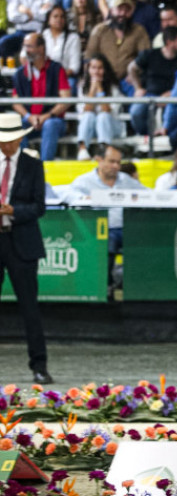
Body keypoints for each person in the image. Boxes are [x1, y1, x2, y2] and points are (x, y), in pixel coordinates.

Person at [0, 113, 52, 385]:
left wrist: (13, 211)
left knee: (30, 308)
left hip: (21, 240)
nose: (6, 146)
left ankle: (39, 366)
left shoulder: (33, 165)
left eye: (10, 141)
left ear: (19, 138)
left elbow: (39, 207)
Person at [70, 144, 147, 296]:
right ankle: (106, 286)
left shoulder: (126, 181)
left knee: (145, 239)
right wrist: (85, 199)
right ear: (99, 160)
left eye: (118, 162)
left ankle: (137, 287)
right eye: (112, 161)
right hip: (101, 229)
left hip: (127, 227)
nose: (116, 166)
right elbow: (70, 197)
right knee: (107, 239)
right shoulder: (83, 182)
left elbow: (148, 195)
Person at [12, 33, 71, 161]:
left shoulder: (56, 69)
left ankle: (44, 168)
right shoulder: (20, 73)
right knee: (15, 127)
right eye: (25, 47)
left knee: (50, 125)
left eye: (29, 47)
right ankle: (24, 166)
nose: (26, 50)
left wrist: (46, 116)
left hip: (53, 119)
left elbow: (66, 100)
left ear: (41, 48)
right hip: (29, 120)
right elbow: (15, 101)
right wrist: (29, 117)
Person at [127, 27, 177, 137]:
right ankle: (146, 136)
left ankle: (168, 136)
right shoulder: (150, 54)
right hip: (149, 95)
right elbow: (131, 68)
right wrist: (138, 87)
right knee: (136, 111)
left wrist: (172, 94)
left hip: (173, 96)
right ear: (169, 42)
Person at [85, 0, 151, 96]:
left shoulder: (139, 31)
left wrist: (135, 74)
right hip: (104, 79)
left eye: (127, 10)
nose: (123, 14)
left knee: (140, 99)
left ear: (132, 12)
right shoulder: (99, 30)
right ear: (111, 10)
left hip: (129, 80)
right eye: (119, 9)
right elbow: (89, 58)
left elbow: (145, 57)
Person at [75, 54, 123, 161]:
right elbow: (86, 109)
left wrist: (100, 88)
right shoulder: (82, 87)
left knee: (103, 116)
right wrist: (92, 88)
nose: (96, 71)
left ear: (105, 70)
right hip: (90, 126)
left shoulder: (113, 87)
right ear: (88, 70)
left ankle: (104, 150)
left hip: (111, 126)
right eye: (93, 68)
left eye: (100, 68)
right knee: (88, 115)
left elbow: (106, 109)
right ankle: (82, 149)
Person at [42, 5, 81, 85]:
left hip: (65, 77)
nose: (59, 19)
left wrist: (57, 78)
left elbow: (74, 67)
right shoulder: (42, 36)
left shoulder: (73, 38)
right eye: (55, 16)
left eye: (62, 17)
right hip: (44, 77)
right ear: (49, 20)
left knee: (71, 84)